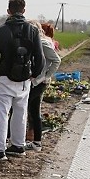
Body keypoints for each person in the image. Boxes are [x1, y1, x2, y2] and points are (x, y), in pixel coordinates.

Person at [0, 0, 45, 161]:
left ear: (8, 11)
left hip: (3, 78)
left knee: (1, 114)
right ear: (24, 10)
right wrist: (33, 75)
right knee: (21, 112)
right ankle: (18, 146)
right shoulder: (33, 31)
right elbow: (40, 60)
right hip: (24, 80)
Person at [25, 21, 61, 150]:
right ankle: (36, 143)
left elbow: (56, 60)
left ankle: (19, 140)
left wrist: (46, 76)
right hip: (38, 81)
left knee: (23, 108)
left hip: (38, 82)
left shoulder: (42, 43)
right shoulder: (41, 41)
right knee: (34, 111)